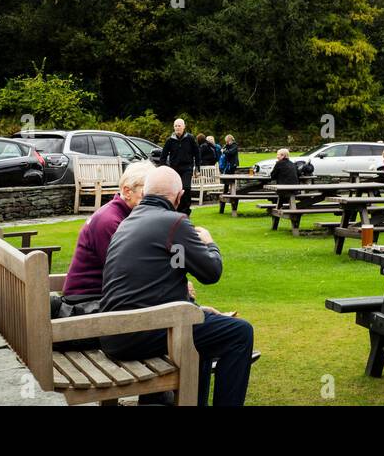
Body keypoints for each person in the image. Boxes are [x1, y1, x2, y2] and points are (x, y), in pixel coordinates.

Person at [99, 165, 254, 407]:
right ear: (179, 197)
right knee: (240, 333)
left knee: (198, 335)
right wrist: (210, 243)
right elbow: (211, 273)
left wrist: (197, 311)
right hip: (138, 334)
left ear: (146, 192)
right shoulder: (174, 222)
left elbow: (156, 283)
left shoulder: (128, 222)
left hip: (115, 333)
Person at [61, 160, 153, 302]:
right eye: (147, 192)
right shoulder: (110, 221)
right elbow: (127, 272)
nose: (154, 198)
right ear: (127, 191)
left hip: (105, 295)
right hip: (86, 301)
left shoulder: (124, 215)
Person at [162, 118, 199, 216]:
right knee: (176, 190)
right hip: (174, 169)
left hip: (187, 168)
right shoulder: (170, 140)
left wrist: (197, 167)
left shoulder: (190, 138)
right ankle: (177, 210)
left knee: (185, 188)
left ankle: (186, 211)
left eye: (179, 126)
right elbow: (163, 156)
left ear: (184, 127)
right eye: (176, 126)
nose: (177, 128)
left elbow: (197, 153)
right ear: (173, 127)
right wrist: (164, 169)